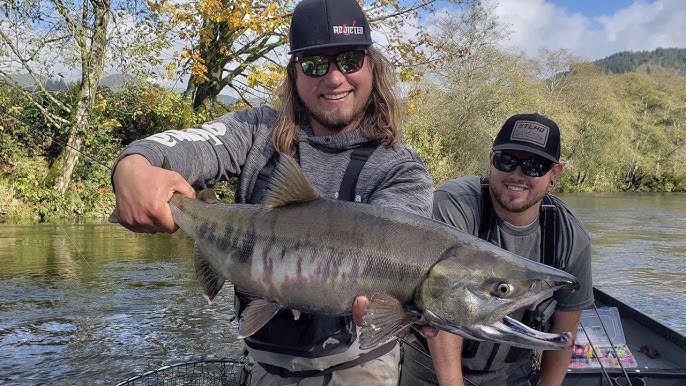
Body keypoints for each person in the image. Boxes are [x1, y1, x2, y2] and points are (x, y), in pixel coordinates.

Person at [111, 0, 433, 384]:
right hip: (261, 362)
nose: (333, 79)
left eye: (348, 59)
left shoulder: (401, 170)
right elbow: (176, 148)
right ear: (294, 72)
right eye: (315, 64)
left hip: (358, 366)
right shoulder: (254, 131)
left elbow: (408, 246)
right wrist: (133, 166)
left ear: (372, 65)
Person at [398, 113, 594, 386]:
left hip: (512, 375)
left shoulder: (570, 237)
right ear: (491, 160)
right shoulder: (454, 205)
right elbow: (441, 303)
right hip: (429, 369)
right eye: (507, 161)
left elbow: (564, 331)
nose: (517, 174)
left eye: (534, 166)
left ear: (554, 174)